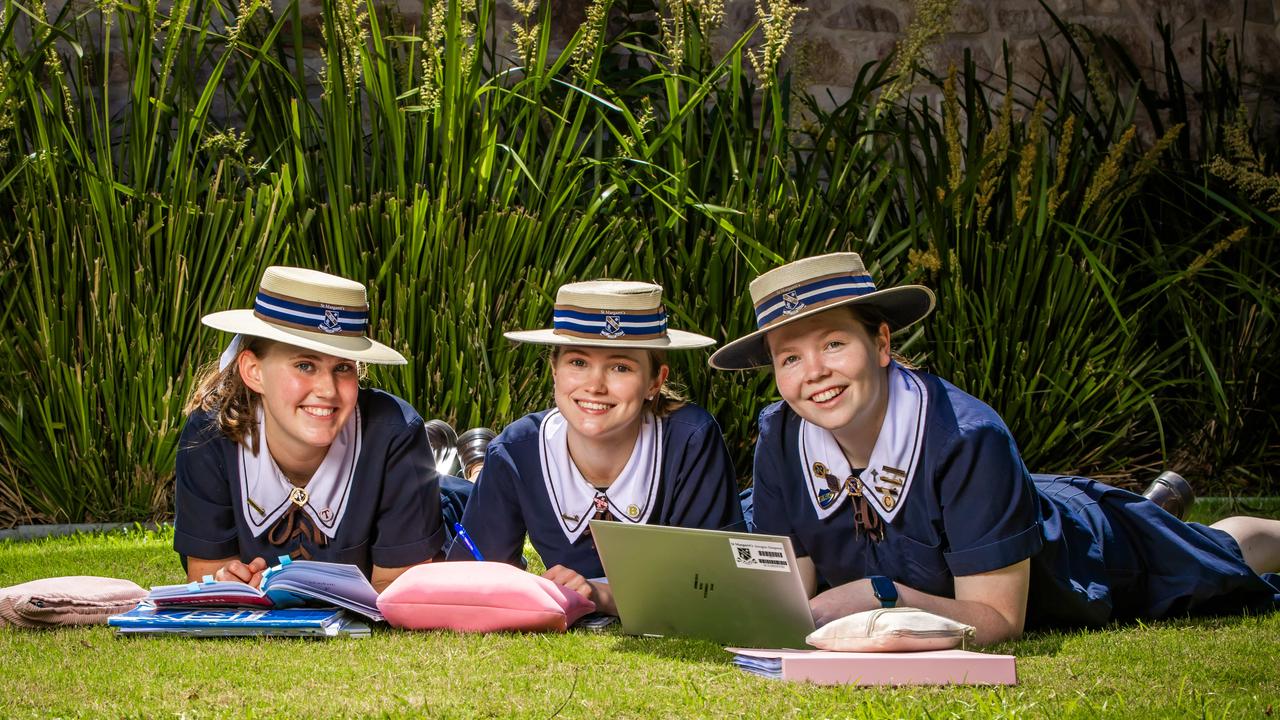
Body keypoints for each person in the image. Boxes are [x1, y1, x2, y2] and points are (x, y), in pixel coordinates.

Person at [710, 252, 1280, 645]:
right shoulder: (779, 435)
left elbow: (998, 618)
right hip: (999, 511)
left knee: (1221, 556)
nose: (815, 372)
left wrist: (880, 594)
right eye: (790, 357)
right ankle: (1159, 507)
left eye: (834, 343)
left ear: (881, 343)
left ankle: (1207, 525)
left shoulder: (968, 437)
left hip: (1083, 555)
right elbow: (796, 594)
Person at [449, 281, 743, 614]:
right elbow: (472, 578)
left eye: (621, 367)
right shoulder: (516, 450)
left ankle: (471, 475)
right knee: (448, 500)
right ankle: (471, 476)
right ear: (554, 371)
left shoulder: (691, 439)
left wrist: (601, 595)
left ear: (654, 382)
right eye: (578, 363)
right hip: (480, 478)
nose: (595, 386)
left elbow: (715, 585)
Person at [175, 266, 458, 592]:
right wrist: (230, 582)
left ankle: (467, 462)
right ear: (254, 371)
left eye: (342, 367)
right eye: (305, 365)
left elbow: (397, 591)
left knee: (456, 491)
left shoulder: (395, 433)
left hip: (444, 509)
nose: (327, 389)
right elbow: (207, 576)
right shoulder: (209, 435)